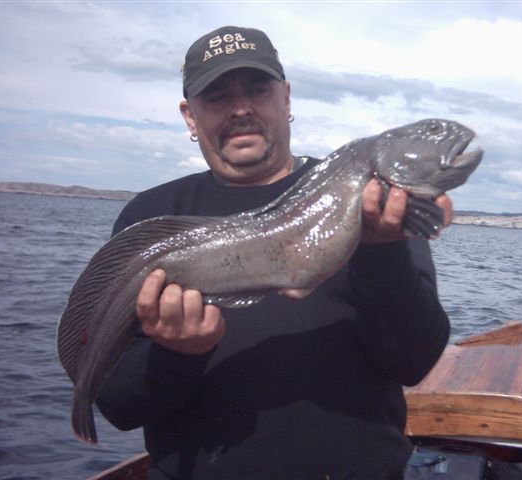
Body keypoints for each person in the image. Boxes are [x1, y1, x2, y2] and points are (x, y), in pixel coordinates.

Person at [96, 26, 452, 480]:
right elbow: (118, 408)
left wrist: (382, 252)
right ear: (190, 116)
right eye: (217, 97)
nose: (241, 108)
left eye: (258, 89)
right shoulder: (151, 219)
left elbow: (412, 362)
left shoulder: (367, 197)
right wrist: (174, 354)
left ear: (286, 98)